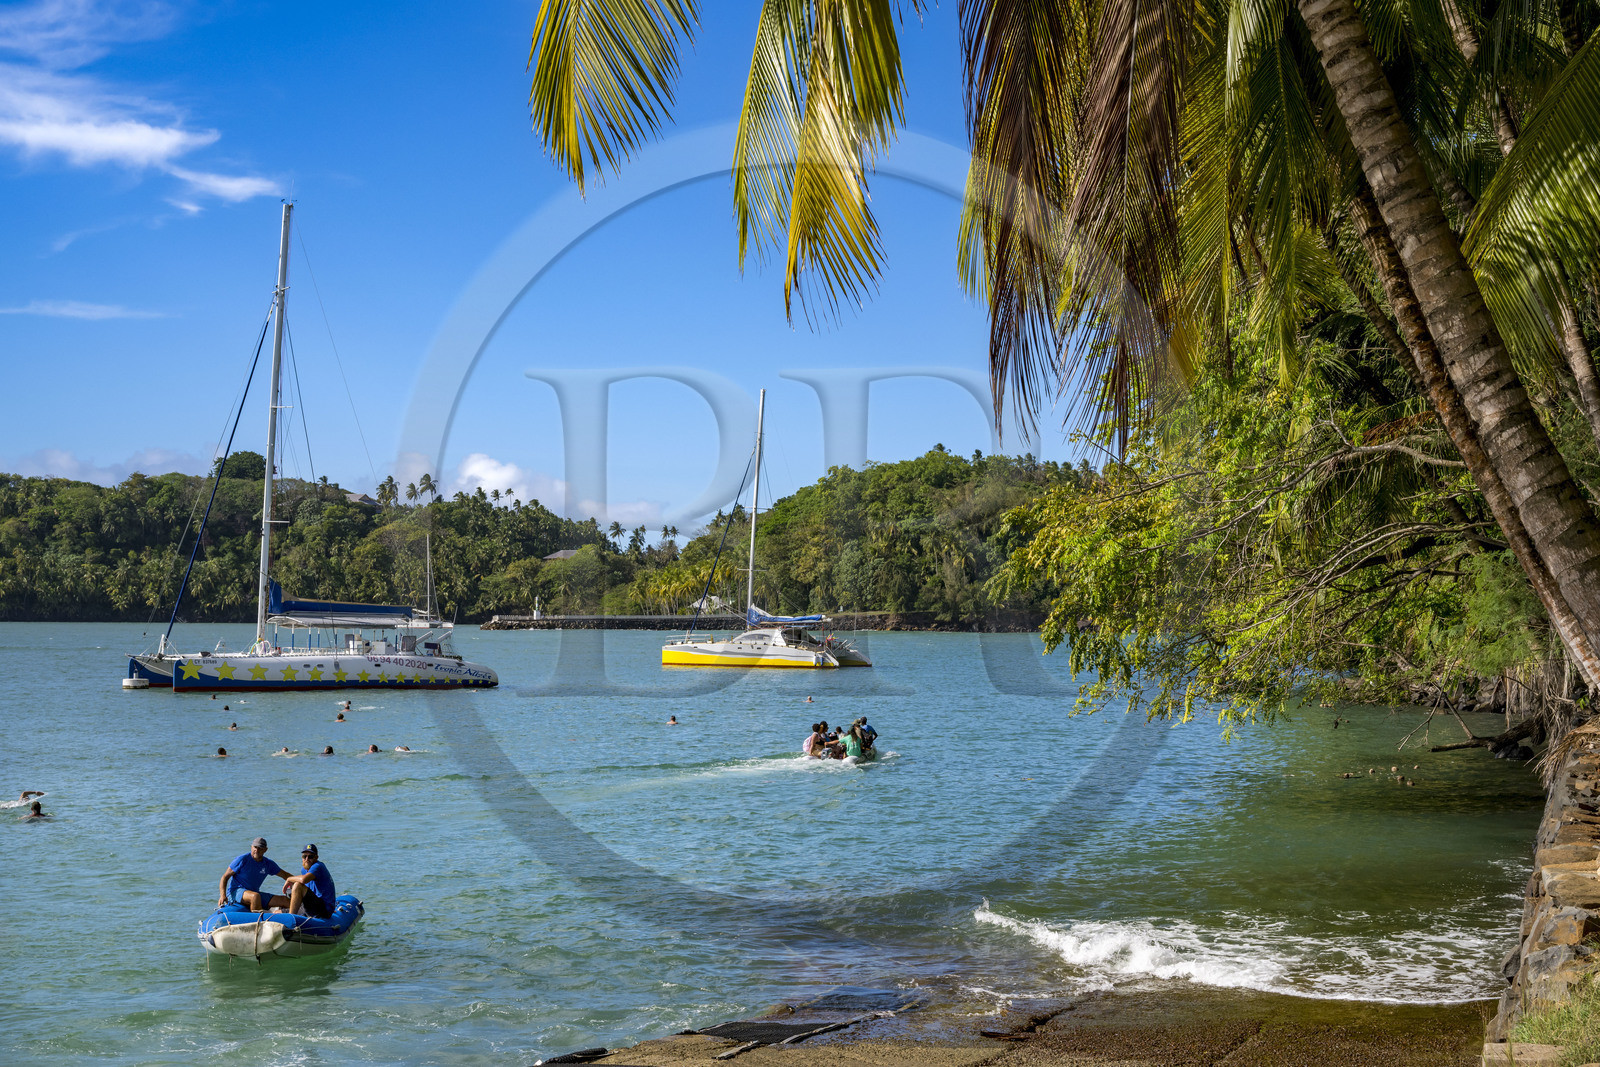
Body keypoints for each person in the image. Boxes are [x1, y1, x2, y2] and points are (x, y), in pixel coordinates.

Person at [218, 837, 290, 912]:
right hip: (235, 892)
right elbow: (224, 877)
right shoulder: (242, 860)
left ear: (265, 850)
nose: (257, 850)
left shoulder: (268, 864)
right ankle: (259, 920)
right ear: (251, 847)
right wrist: (223, 895)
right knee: (255, 897)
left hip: (254, 892)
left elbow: (286, 875)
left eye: (260, 848)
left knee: (285, 900)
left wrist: (299, 884)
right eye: (255, 847)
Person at [281, 844, 337, 918]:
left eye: (310, 856)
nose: (307, 859)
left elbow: (303, 880)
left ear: (316, 858)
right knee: (277, 912)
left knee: (298, 885)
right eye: (304, 856)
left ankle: (290, 919)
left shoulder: (318, 866)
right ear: (302, 858)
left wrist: (289, 879)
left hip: (324, 909)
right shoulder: (304, 870)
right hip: (312, 905)